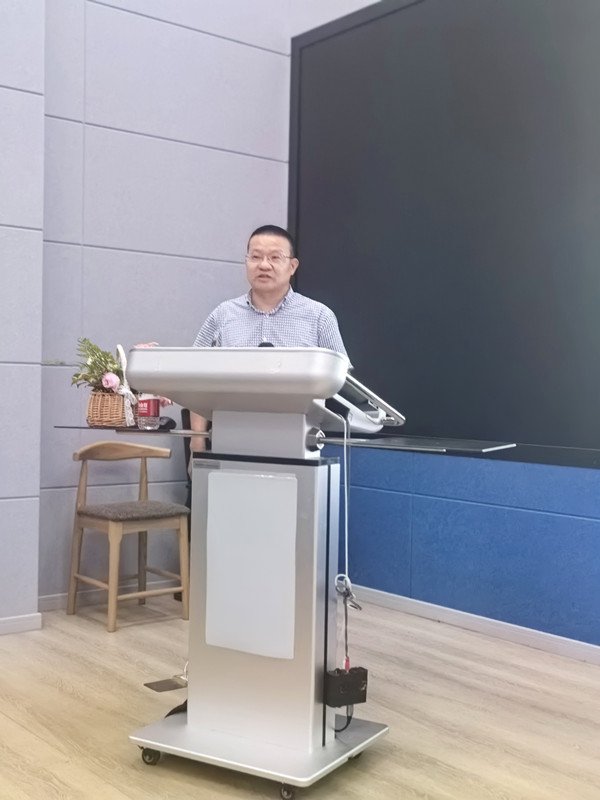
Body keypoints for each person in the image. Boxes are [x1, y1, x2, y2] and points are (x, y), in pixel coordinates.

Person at [190, 224, 348, 448]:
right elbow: (194, 379)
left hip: (301, 441)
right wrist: (197, 439)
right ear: (246, 262)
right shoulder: (223, 314)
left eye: (275, 257)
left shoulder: (319, 316)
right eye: (256, 257)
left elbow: (343, 380)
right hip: (230, 438)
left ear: (292, 266)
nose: (264, 265)